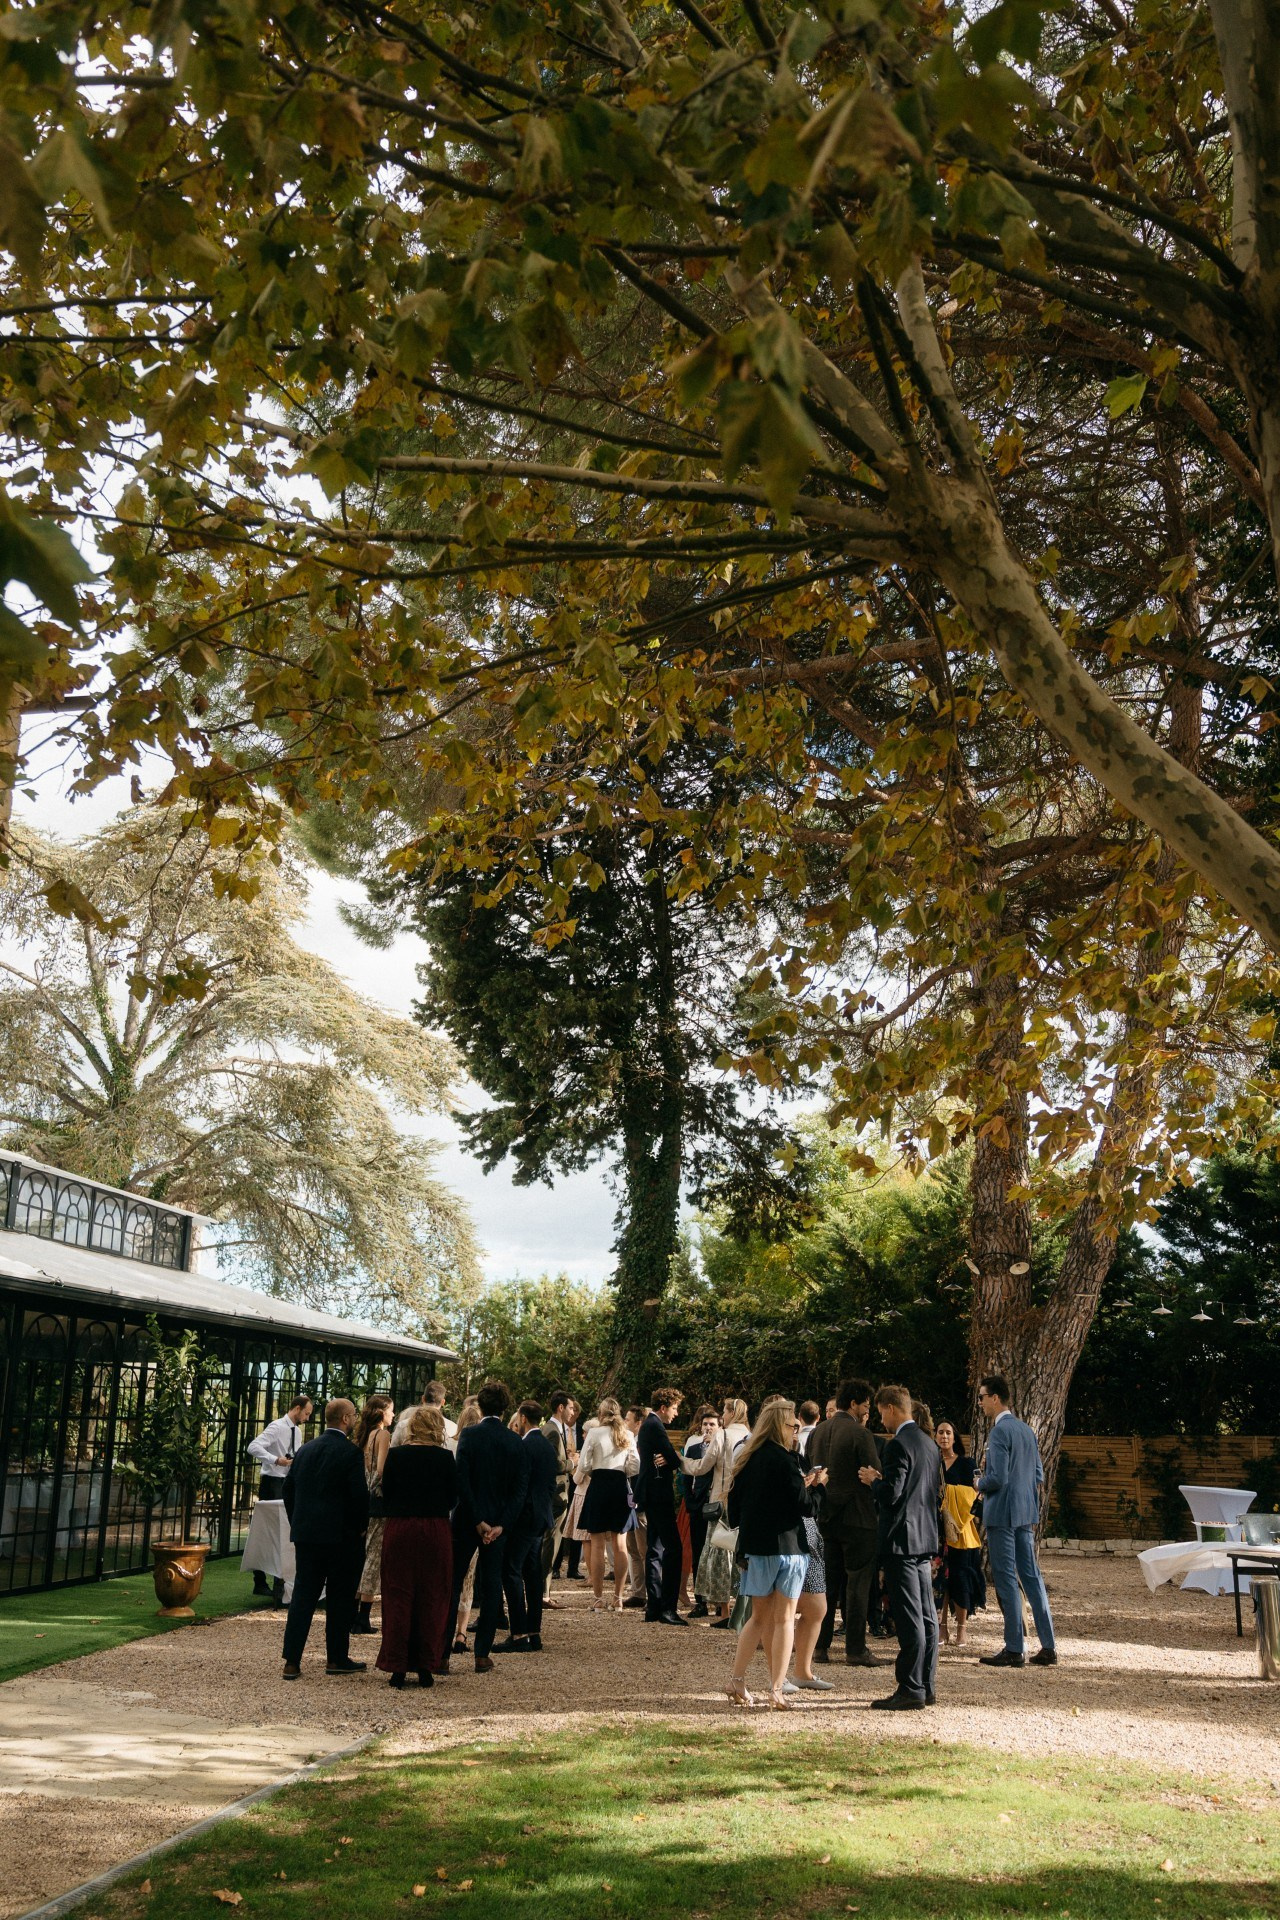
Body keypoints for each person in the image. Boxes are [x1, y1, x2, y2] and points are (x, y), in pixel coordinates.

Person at [725, 1398, 827, 1709]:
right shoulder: (787, 1460)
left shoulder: (747, 1458)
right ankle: (776, 1689)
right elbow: (806, 1507)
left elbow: (734, 1513)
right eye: (793, 1426)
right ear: (780, 1426)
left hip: (757, 1548)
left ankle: (737, 1680)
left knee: (757, 1619)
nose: (796, 1431)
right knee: (784, 1620)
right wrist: (818, 1486)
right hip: (788, 1547)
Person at [858, 1384, 941, 1711]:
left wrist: (874, 1480)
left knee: (909, 1618)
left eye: (881, 1413)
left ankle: (910, 1688)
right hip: (924, 1538)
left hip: (901, 1542)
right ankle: (926, 1684)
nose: (882, 1420)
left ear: (891, 1408)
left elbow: (892, 1494)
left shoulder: (898, 1445)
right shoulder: (929, 1443)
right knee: (927, 1616)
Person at [281, 1397, 369, 1680]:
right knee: (341, 1598)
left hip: (308, 1535)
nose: (354, 1419)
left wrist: (298, 1521)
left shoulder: (305, 1450)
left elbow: (288, 1489)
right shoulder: (351, 1452)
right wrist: (360, 1527)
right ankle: (336, 1658)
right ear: (345, 1419)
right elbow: (358, 1496)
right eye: (353, 1414)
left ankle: (292, 1660)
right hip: (342, 1538)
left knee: (303, 1596)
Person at [975, 1374, 1057, 1668]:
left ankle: (1014, 1648)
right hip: (1025, 1512)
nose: (980, 1403)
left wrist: (979, 1482)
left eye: (982, 1397)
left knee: (1006, 1578)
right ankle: (1048, 1647)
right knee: (1032, 1577)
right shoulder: (1026, 1431)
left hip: (1002, 1513)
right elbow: (1038, 1475)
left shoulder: (999, 1432)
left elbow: (997, 1478)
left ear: (995, 1398)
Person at [449, 1379, 531, 1672]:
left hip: (467, 1521)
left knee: (454, 1582)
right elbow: (519, 1490)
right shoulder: (515, 1441)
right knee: (492, 1584)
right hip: (497, 1522)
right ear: (505, 1408)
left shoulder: (469, 1436)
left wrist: (476, 1519)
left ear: (480, 1407)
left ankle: (443, 1654)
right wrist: (501, 1525)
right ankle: (481, 1654)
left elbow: (462, 1480)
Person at [377, 1403, 457, 1688]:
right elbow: (452, 1497)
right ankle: (426, 1665)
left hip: (400, 1528)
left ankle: (397, 1666)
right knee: (433, 1596)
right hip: (435, 1529)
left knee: (398, 1594)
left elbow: (387, 1492)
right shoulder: (445, 1458)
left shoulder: (396, 1456)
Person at [809, 1379, 883, 1670]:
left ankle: (820, 1645)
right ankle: (855, 1648)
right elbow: (873, 1472)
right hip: (857, 1518)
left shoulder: (817, 1432)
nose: (867, 1410)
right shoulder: (860, 1433)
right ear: (853, 1403)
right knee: (857, 1585)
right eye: (865, 1405)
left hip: (825, 1517)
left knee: (827, 1584)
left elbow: (810, 1470)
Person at [495, 1400, 558, 1653]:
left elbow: (519, 1487)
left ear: (522, 1418)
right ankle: (534, 1631)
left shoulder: (524, 1446)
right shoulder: (547, 1446)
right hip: (541, 1515)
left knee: (511, 1570)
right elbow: (551, 1484)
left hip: (524, 1516)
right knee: (532, 1573)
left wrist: (507, 1518)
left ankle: (519, 1633)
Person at [687, 1399, 751, 1625]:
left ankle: (724, 1610)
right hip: (745, 1503)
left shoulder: (722, 1435)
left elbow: (703, 1466)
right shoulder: (751, 1436)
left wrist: (681, 1461)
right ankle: (742, 1608)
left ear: (731, 1412)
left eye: (724, 1411)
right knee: (742, 1555)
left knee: (720, 1554)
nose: (722, 1415)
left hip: (722, 1501)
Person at [574, 1397, 639, 1611]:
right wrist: (622, 1472)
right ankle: (618, 1598)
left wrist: (595, 1471)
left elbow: (584, 1464)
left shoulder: (594, 1433)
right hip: (619, 1486)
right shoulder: (628, 1434)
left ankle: (598, 1599)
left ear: (600, 1414)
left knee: (597, 1544)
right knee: (620, 1544)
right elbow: (635, 1465)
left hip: (599, 1486)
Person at [245, 1395, 311, 1596]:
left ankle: (281, 1582)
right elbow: (253, 1447)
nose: (307, 1418)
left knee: (286, 1530)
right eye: (306, 1413)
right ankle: (260, 1581)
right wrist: (275, 1459)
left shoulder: (297, 1431)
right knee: (267, 1530)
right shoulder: (276, 1426)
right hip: (272, 1482)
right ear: (297, 1408)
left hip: (287, 1482)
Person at [637, 1387, 687, 1625]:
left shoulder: (648, 1425)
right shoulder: (655, 1426)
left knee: (655, 1549)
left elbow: (668, 1457)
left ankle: (654, 1607)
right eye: (675, 1408)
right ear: (664, 1407)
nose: (676, 1413)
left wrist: (669, 1457)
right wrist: (672, 1456)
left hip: (651, 1492)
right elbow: (675, 1460)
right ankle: (668, 1608)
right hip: (658, 1494)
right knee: (674, 1549)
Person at [935, 1419, 985, 1646]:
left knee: (960, 1577)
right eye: (940, 1432)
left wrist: (948, 1494)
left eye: (948, 1432)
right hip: (937, 1530)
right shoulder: (933, 1463)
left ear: (955, 1437)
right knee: (940, 1580)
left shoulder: (966, 1463)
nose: (944, 1436)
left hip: (961, 1530)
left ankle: (962, 1629)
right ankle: (941, 1628)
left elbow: (975, 1494)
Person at [352, 1393, 394, 1635]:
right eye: (390, 1410)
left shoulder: (363, 1435)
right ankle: (363, 1617)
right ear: (381, 1412)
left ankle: (353, 1612)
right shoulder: (383, 1435)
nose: (393, 1415)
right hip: (377, 1502)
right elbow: (382, 1470)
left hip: (362, 1501)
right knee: (374, 1558)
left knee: (363, 1554)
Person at [450, 1395, 482, 1656]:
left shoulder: (450, 1446)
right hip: (476, 1516)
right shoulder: (482, 1447)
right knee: (468, 1577)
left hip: (452, 1516)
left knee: (450, 1576)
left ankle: (445, 1629)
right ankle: (461, 1632)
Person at [681, 1406, 719, 1618]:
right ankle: (700, 1601)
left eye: (712, 1424)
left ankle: (719, 1601)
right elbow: (686, 1478)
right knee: (698, 1553)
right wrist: (690, 1502)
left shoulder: (722, 1449)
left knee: (718, 1554)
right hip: (698, 1506)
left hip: (717, 1506)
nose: (708, 1427)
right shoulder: (694, 1449)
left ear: (719, 1427)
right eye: (705, 1424)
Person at [540, 1389, 574, 1591]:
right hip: (555, 1495)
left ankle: (543, 1590)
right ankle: (543, 1591)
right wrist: (572, 1462)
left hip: (555, 1495)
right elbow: (553, 1464)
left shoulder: (553, 1428)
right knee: (551, 1542)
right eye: (570, 1408)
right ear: (561, 1407)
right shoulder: (552, 1430)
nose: (572, 1412)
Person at [392, 1377, 457, 1449]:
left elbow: (392, 1450)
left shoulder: (403, 1425)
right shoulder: (453, 1428)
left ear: (423, 1398)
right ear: (443, 1402)